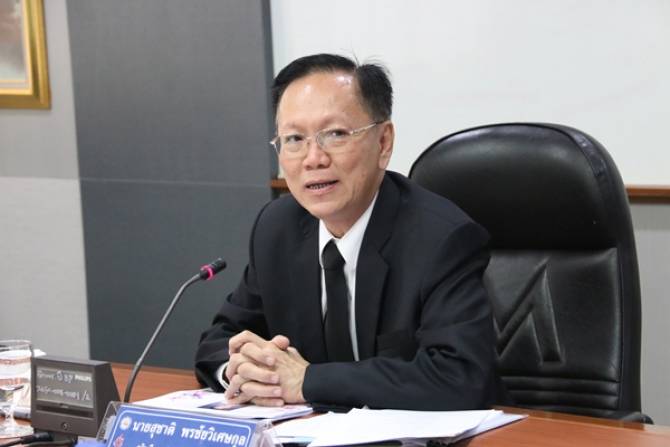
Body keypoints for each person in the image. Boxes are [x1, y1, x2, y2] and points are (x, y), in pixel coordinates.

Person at [195, 53, 505, 410]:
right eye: (294, 139)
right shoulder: (277, 229)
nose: (313, 158)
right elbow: (219, 341)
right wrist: (240, 372)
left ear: (383, 143)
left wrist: (307, 381)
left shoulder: (440, 238)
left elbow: (460, 376)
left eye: (335, 134)